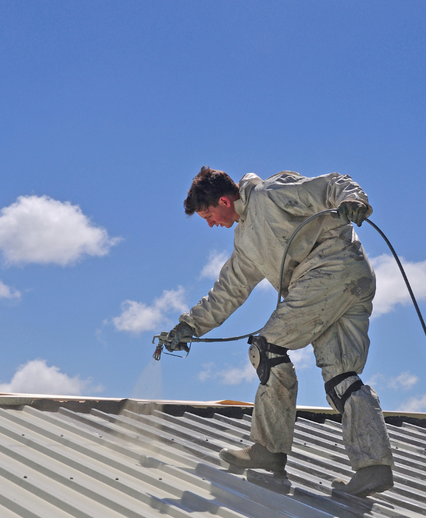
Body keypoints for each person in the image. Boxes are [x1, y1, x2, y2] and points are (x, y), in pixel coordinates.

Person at [165, 167, 394, 497]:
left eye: (208, 214)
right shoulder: (246, 241)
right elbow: (228, 290)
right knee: (341, 378)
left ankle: (269, 450)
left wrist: (352, 199)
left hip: (328, 268)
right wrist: (189, 325)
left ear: (224, 200)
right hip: (352, 277)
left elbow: (329, 184)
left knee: (266, 348)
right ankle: (374, 467)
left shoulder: (270, 194)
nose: (210, 223)